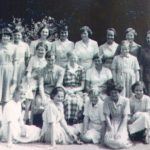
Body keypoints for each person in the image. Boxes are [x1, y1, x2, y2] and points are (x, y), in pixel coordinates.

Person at [33, 51, 64, 127]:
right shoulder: (42, 70)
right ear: (46, 60)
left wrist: (53, 97)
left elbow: (58, 85)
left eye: (52, 60)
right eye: (49, 60)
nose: (51, 62)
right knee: (39, 102)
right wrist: (43, 97)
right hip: (44, 92)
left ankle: (55, 124)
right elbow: (40, 85)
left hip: (55, 93)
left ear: (55, 60)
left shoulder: (60, 70)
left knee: (54, 104)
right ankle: (39, 125)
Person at [103, 79, 132, 149]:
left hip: (123, 123)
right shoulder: (107, 100)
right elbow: (106, 116)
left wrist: (119, 131)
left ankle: (123, 142)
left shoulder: (126, 101)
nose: (113, 94)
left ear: (119, 92)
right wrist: (110, 128)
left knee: (119, 139)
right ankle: (120, 145)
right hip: (112, 122)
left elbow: (125, 117)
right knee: (107, 140)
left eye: (116, 92)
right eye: (111, 93)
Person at [25, 42, 47, 124]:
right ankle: (27, 119)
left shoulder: (47, 60)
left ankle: (38, 121)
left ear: (45, 51)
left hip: (43, 83)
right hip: (33, 81)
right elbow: (29, 71)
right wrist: (29, 78)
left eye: (42, 50)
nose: (40, 52)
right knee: (30, 96)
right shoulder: (33, 59)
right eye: (39, 50)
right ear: (36, 50)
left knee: (39, 101)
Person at [63, 51, 86, 125]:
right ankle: (67, 121)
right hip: (66, 90)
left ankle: (75, 121)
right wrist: (67, 90)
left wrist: (73, 90)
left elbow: (82, 86)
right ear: (68, 58)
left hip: (77, 90)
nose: (73, 59)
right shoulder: (64, 68)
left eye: (75, 58)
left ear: (77, 58)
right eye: (71, 58)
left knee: (77, 101)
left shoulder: (81, 69)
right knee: (67, 101)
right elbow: (60, 83)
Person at [0, 27, 17, 107]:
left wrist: (14, 76)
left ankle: (5, 114)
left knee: (7, 93)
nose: (5, 37)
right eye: (4, 35)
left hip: (9, 70)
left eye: (7, 36)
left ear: (10, 37)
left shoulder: (14, 47)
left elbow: (15, 62)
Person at [140, 31, 150, 96]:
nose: (149, 40)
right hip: (147, 76)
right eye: (148, 38)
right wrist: (141, 79)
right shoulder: (143, 50)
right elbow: (141, 65)